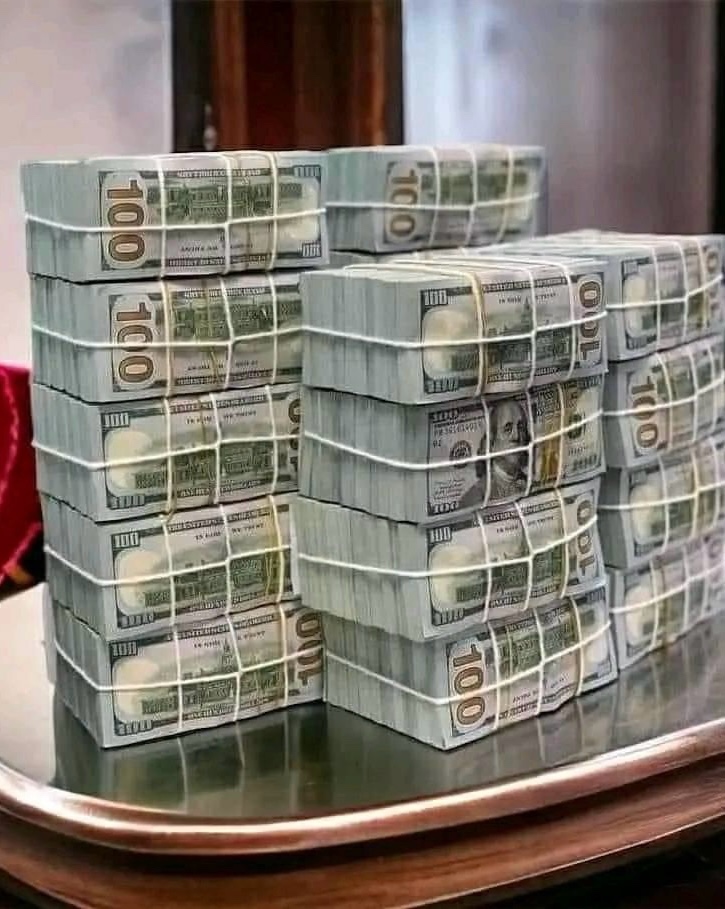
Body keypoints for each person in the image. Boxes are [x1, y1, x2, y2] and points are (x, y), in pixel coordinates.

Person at [458, 399, 530, 509]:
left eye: (521, 428)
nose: (516, 436)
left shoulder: (534, 486)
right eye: (507, 429)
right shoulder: (474, 499)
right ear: (491, 443)